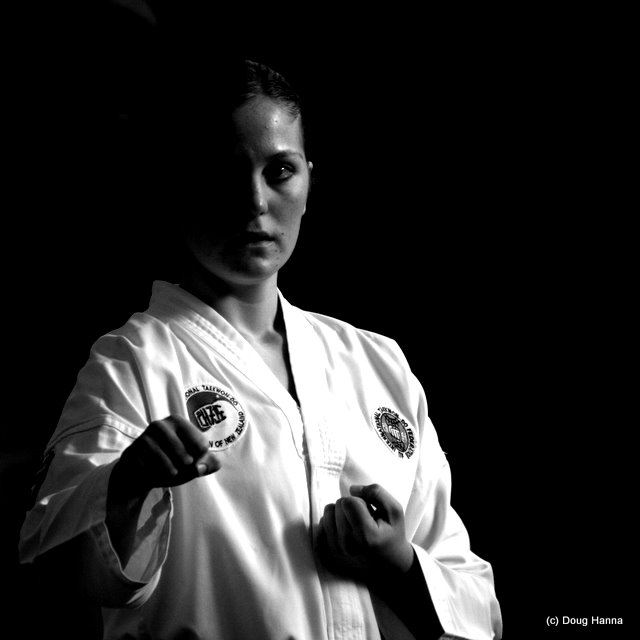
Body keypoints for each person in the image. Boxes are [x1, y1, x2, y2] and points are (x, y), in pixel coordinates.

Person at [19, 58, 503, 639]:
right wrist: (126, 488)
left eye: (279, 171)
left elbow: (479, 607)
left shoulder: (378, 363)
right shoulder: (134, 363)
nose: (254, 201)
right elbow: (50, 568)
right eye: (222, 172)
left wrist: (398, 564)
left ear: (307, 181)